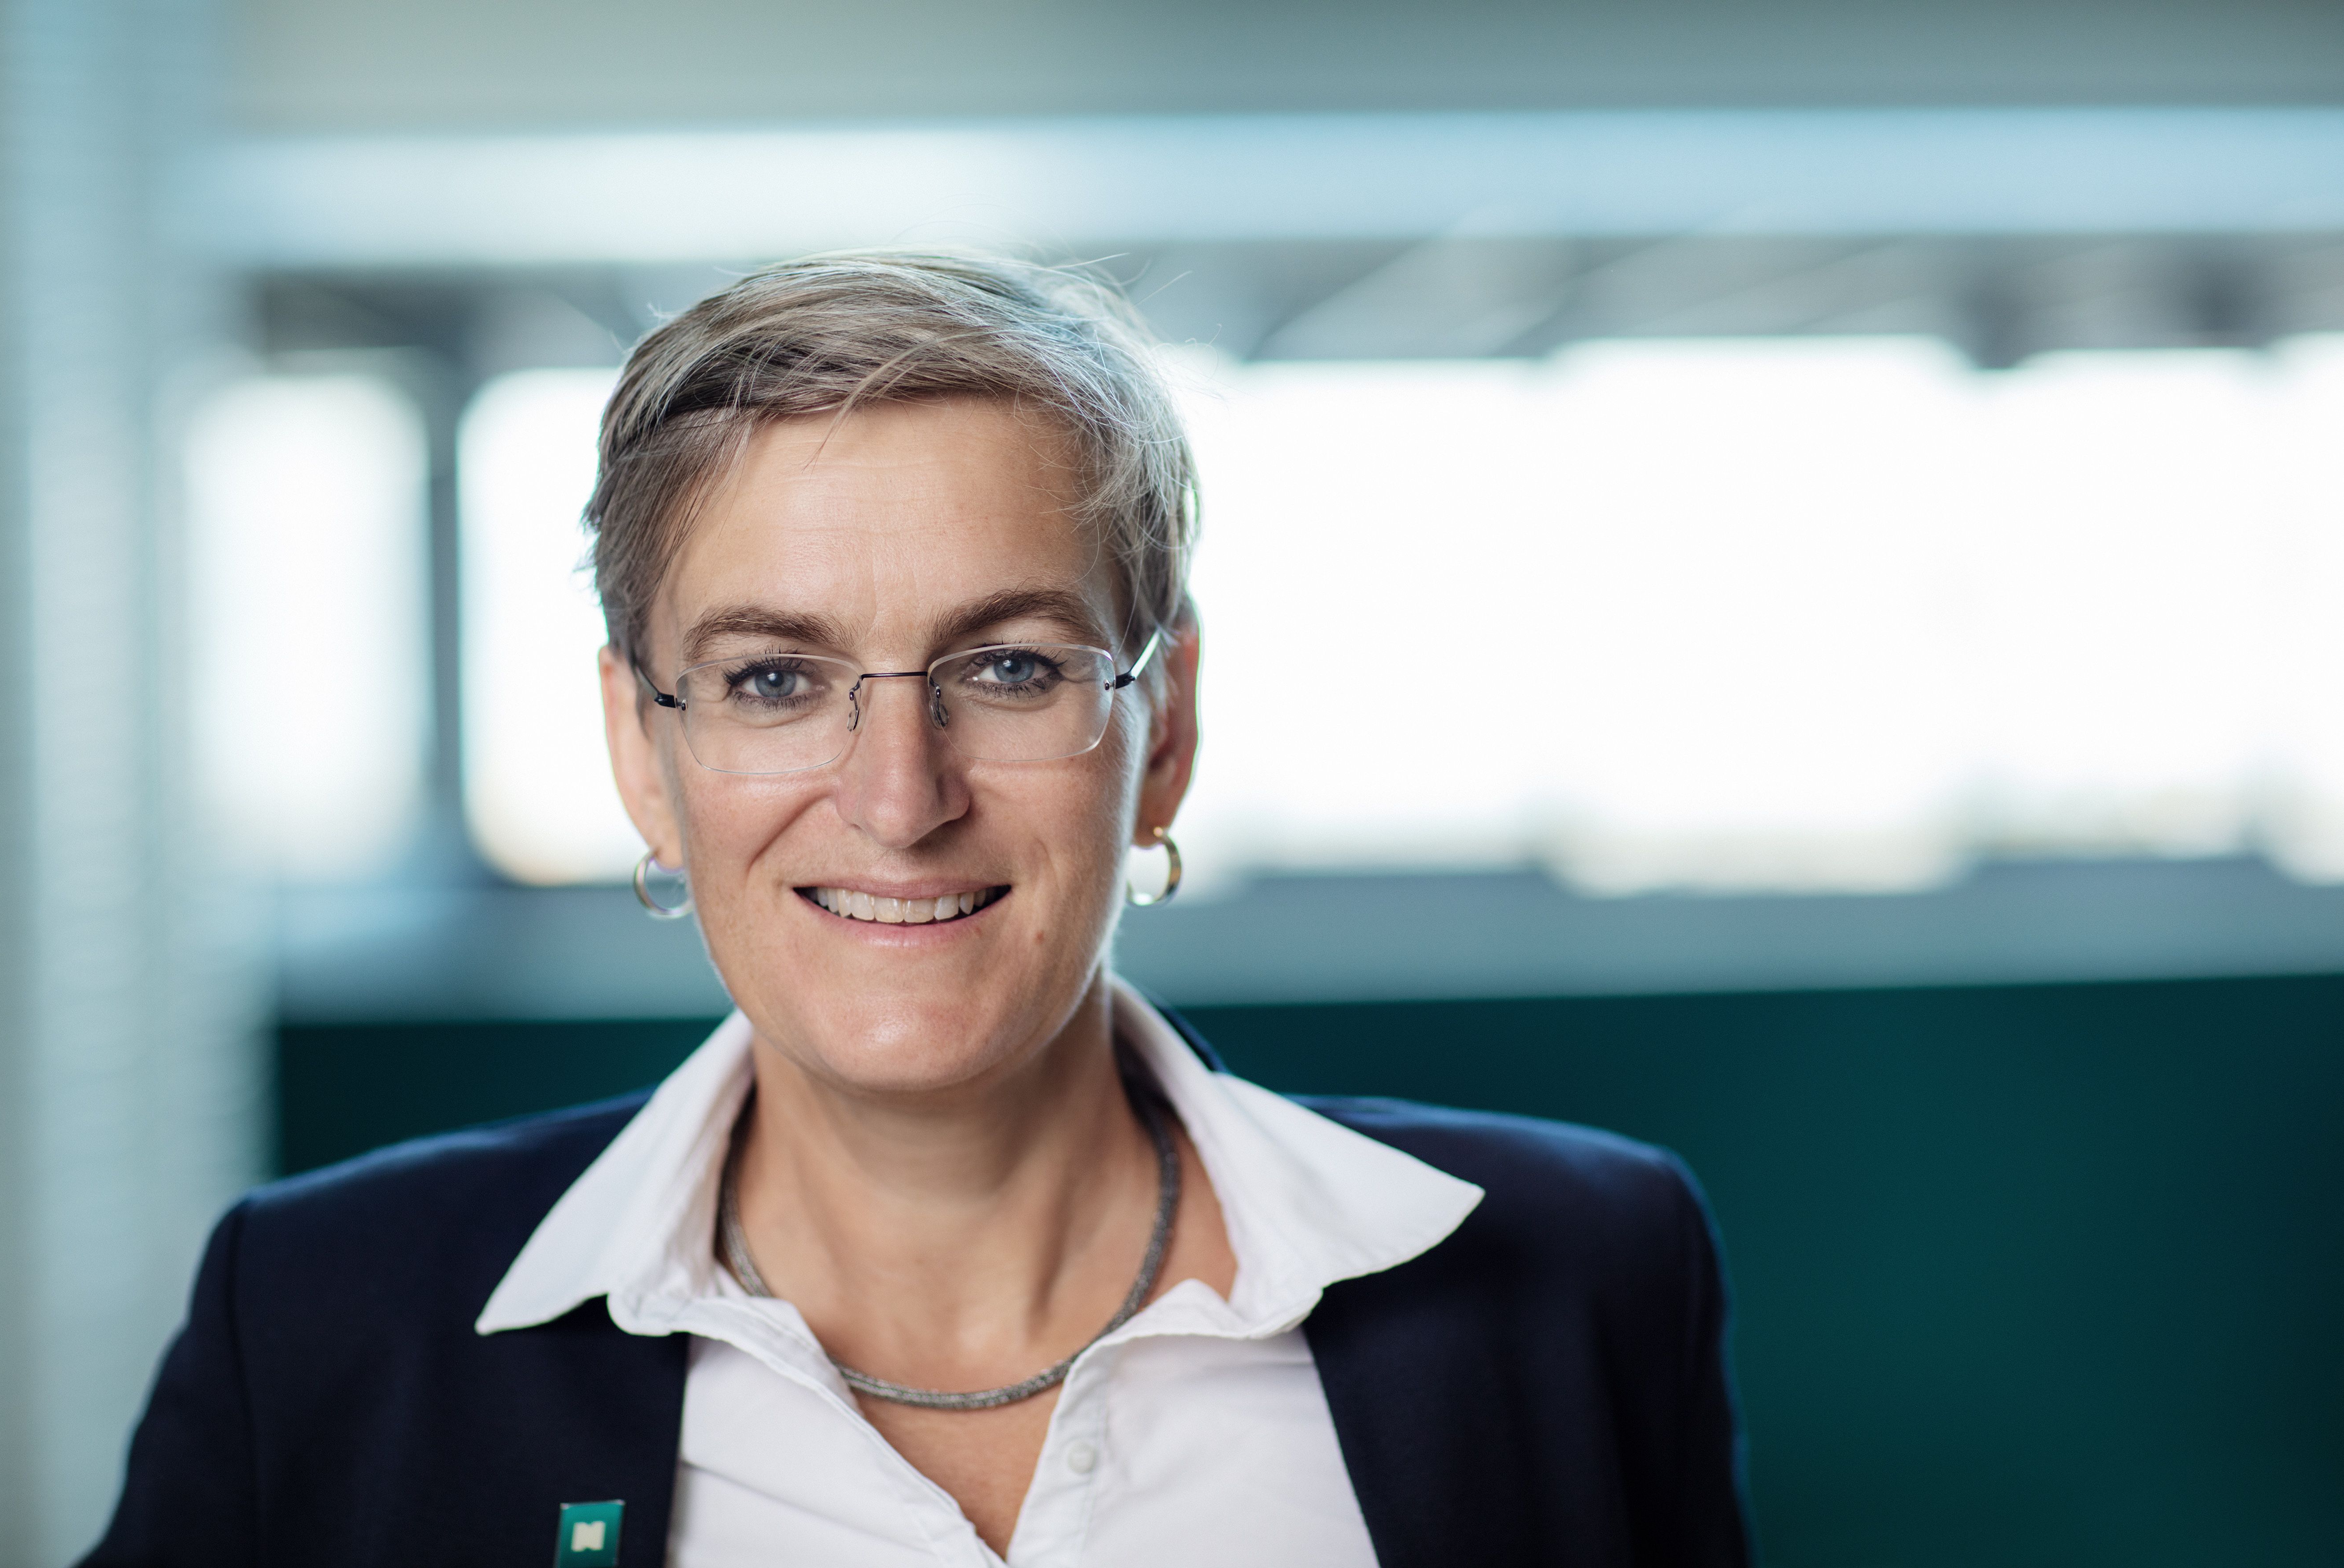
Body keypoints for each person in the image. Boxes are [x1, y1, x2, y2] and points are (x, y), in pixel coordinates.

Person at [85, 251, 1750, 1568]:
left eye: (1008, 667)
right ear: (641, 750)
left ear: (1161, 730)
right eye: (772, 677)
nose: (899, 797)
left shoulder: (1581, 1270)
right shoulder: (321, 1319)